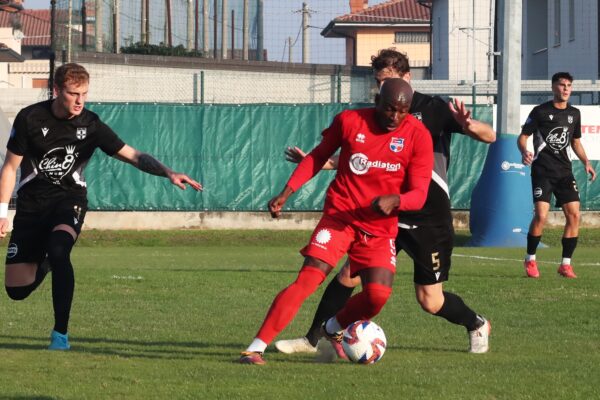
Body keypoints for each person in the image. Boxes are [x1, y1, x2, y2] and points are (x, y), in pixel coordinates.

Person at [275, 48, 496, 357]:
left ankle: (476, 323)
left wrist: (468, 125)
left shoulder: (434, 109)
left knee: (430, 300)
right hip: (382, 215)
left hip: (427, 218)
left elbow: (490, 136)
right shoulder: (382, 112)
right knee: (347, 275)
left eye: (389, 79)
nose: (384, 87)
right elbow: (364, 159)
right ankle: (314, 339)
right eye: (379, 81)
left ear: (407, 77)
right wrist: (323, 162)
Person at [0, 63, 202, 350]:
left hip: (69, 201)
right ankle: (44, 263)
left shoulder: (90, 124)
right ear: (57, 91)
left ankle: (60, 335)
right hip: (32, 207)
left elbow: (133, 155)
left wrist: (168, 172)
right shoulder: (30, 118)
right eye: (73, 94)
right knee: (16, 291)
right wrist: (2, 212)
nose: (80, 101)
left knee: (60, 250)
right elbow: (10, 168)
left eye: (84, 93)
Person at [239, 78, 434, 365]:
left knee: (376, 297)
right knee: (308, 279)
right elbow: (318, 157)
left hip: (379, 229)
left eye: (402, 111)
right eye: (390, 108)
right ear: (377, 102)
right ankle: (254, 348)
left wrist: (396, 200)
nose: (395, 116)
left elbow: (419, 193)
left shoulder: (418, 136)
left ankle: (332, 328)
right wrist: (286, 192)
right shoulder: (349, 121)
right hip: (340, 218)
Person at [518, 72, 596, 279]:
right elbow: (523, 137)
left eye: (569, 85)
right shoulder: (540, 111)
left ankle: (565, 265)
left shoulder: (574, 113)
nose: (566, 89)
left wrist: (586, 162)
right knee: (541, 216)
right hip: (543, 172)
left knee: (574, 215)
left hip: (564, 173)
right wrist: (524, 151)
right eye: (562, 85)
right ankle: (530, 258)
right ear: (554, 87)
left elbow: (576, 142)